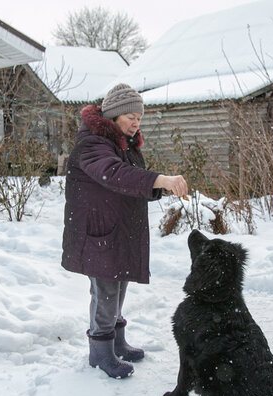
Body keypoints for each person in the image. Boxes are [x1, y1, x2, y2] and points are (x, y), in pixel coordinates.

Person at [62, 83, 188, 379]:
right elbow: (115, 174)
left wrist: (158, 187)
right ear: (114, 116)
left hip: (117, 230)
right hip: (99, 232)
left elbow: (131, 183)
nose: (136, 122)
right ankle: (100, 352)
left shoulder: (124, 144)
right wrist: (160, 179)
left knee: (118, 286)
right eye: (130, 116)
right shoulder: (93, 144)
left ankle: (117, 342)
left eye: (139, 117)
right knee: (105, 291)